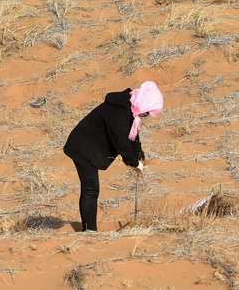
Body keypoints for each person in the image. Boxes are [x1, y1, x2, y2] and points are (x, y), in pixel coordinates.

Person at [63, 80, 164, 232]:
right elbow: (121, 141)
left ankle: (90, 229)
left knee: (91, 189)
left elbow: (133, 134)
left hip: (90, 148)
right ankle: (89, 231)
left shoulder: (129, 108)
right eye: (147, 112)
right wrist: (133, 163)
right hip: (82, 148)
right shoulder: (119, 112)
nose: (145, 115)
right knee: (91, 189)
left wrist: (139, 154)